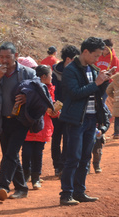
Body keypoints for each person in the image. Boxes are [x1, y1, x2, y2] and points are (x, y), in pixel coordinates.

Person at [58, 37, 113, 206]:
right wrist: (96, 82)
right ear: (86, 52)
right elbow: (74, 93)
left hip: (91, 118)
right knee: (72, 157)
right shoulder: (70, 70)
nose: (98, 59)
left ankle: (79, 192)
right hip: (76, 120)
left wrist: (105, 80)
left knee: (85, 158)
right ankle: (66, 194)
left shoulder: (93, 69)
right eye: (96, 55)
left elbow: (96, 93)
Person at [0, 42, 36, 201]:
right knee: (10, 155)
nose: (4, 60)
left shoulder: (28, 73)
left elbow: (40, 92)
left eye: (8, 57)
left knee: (11, 153)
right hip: (3, 120)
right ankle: (21, 188)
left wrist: (28, 97)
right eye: (1, 57)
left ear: (16, 56)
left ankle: (3, 186)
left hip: (21, 120)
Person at [22, 65, 59, 189]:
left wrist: (55, 112)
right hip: (30, 124)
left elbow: (52, 109)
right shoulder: (29, 88)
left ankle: (36, 177)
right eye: (50, 75)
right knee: (26, 152)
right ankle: (25, 175)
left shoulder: (51, 89)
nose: (52, 78)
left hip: (43, 126)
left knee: (38, 152)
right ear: (44, 77)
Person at [50, 45, 80, 177]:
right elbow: (51, 92)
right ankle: (57, 166)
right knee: (56, 139)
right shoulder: (53, 72)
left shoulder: (76, 72)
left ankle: (64, 164)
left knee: (68, 139)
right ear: (68, 59)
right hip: (56, 110)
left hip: (70, 111)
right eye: (74, 59)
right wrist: (56, 108)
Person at [104, 71, 119, 140]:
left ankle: (116, 133)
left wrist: (113, 96)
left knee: (117, 117)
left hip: (117, 100)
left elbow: (108, 90)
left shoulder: (114, 81)